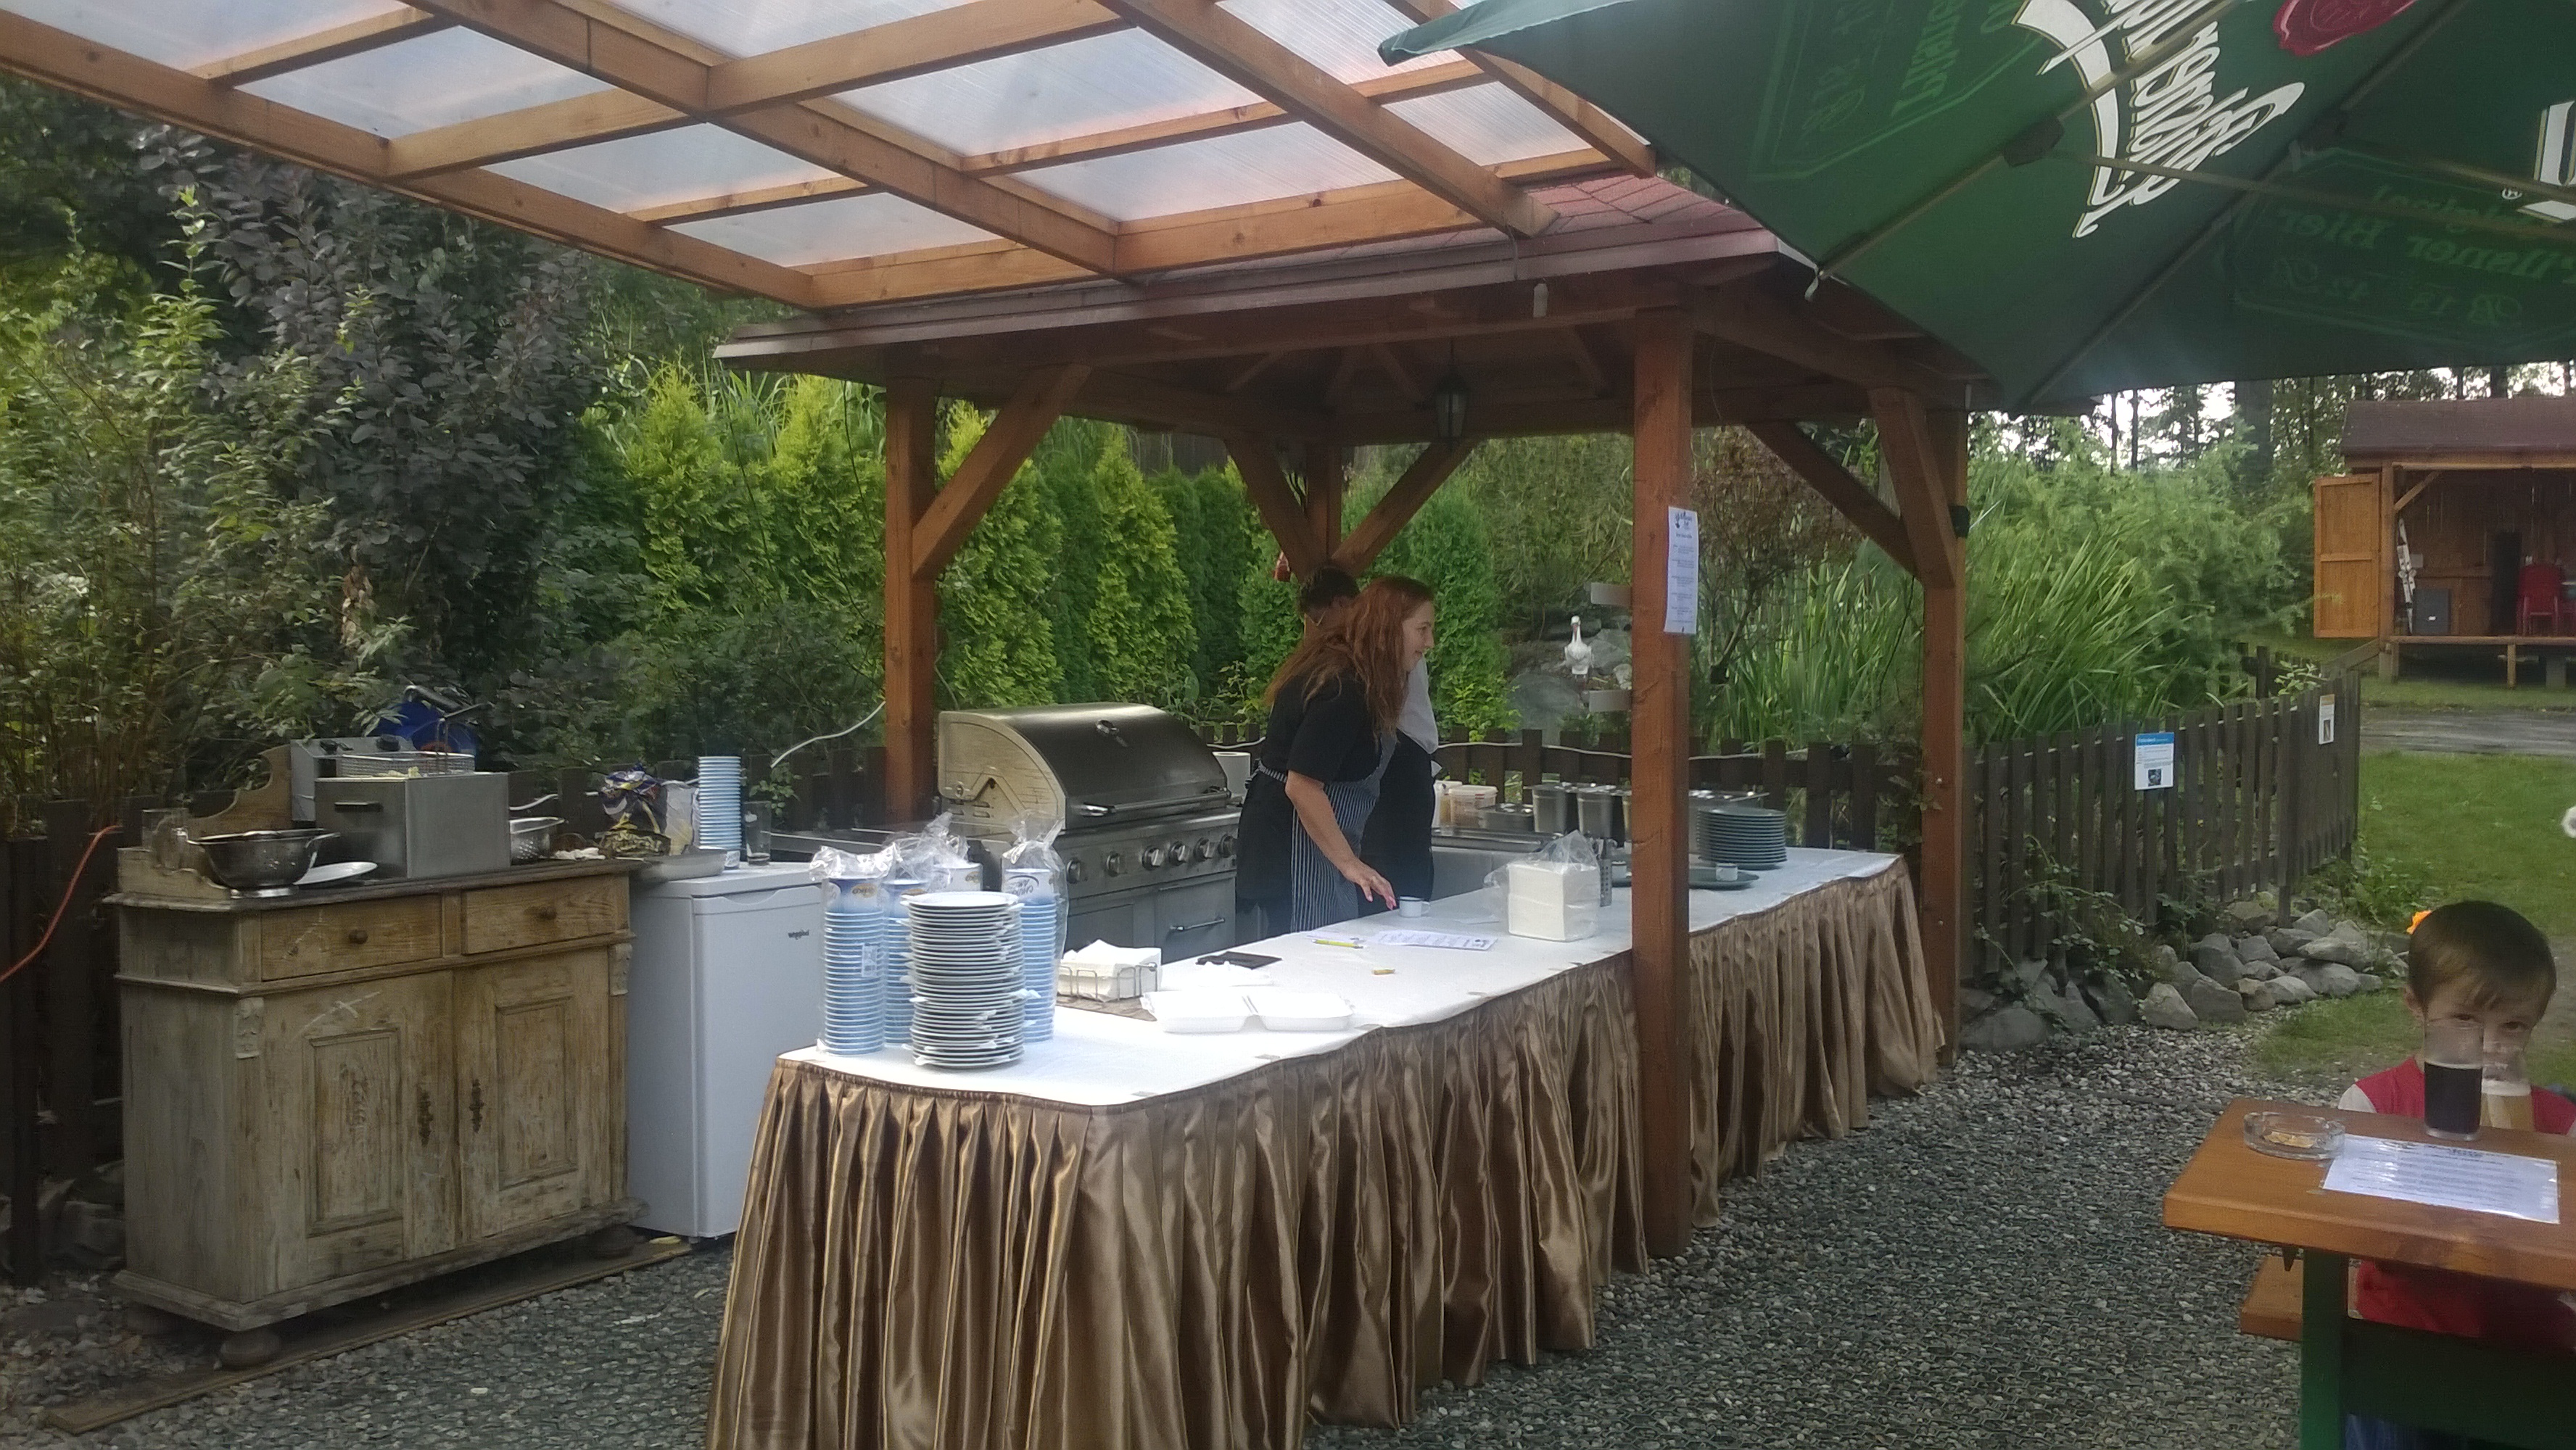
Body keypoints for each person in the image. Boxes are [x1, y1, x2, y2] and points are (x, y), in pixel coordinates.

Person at [2336, 901, 2575, 1450]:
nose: (2489, 1044)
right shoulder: (2372, 1105)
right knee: (2382, 1403)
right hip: (2405, 1336)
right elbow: (2344, 1227)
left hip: (2528, 1348)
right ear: (2416, 1007)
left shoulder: (2562, 1125)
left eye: (2513, 1026)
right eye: (2465, 1019)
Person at [1235, 576, 1435, 935]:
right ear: (1388, 627)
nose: (1429, 643)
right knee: (1306, 957)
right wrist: (1350, 864)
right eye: (1422, 630)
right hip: (1294, 853)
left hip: (1320, 851)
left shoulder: (1364, 678)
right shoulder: (1343, 686)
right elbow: (1301, 786)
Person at [1359, 652, 1437, 908]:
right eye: (1422, 632)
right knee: (1389, 890)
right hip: (1394, 762)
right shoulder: (1382, 647)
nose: (1429, 642)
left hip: (1409, 761)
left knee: (1409, 888)